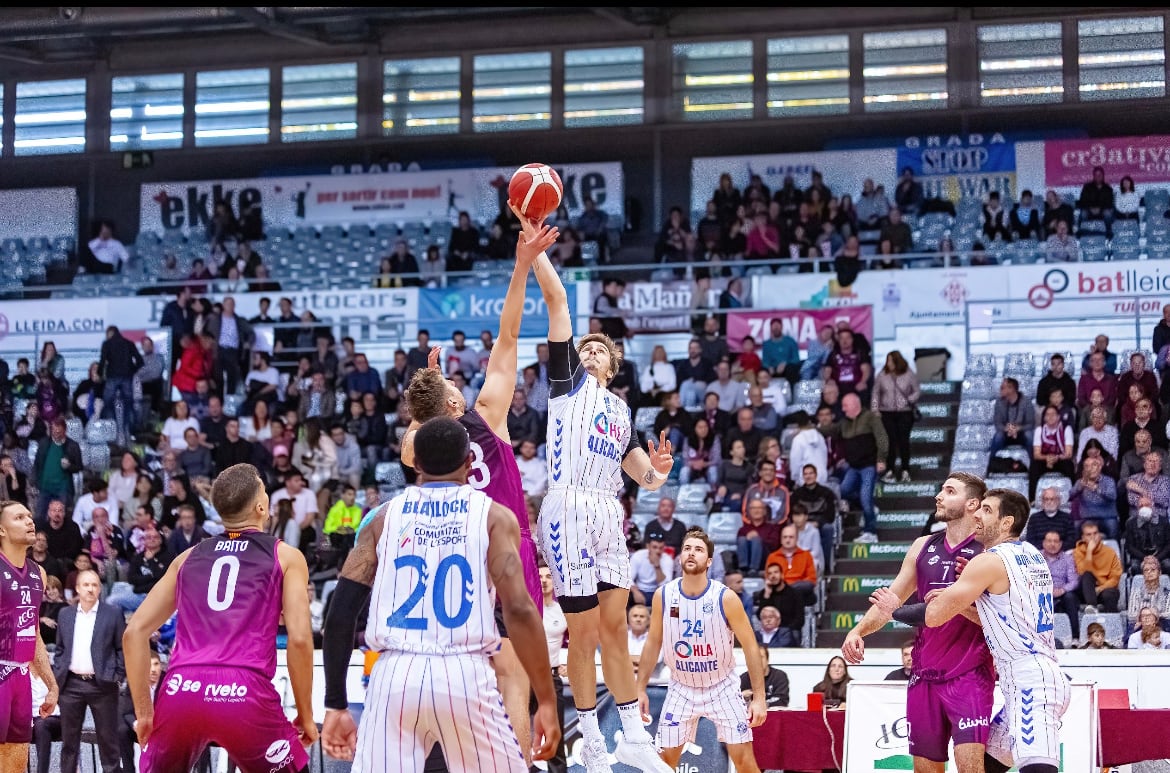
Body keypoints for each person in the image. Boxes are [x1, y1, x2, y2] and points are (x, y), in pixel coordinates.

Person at [396, 220, 559, 769]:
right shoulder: (488, 415)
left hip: (454, 559)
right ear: (454, 404)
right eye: (452, 387)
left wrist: (426, 399)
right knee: (510, 679)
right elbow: (508, 338)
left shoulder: (421, 443)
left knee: (456, 680)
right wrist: (520, 265)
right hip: (505, 559)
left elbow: (404, 447)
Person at [525, 205, 676, 773]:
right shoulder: (566, 386)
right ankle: (588, 738)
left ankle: (632, 736)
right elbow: (559, 303)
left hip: (609, 512)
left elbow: (644, 477)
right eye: (583, 347)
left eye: (597, 350)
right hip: (567, 506)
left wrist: (659, 468)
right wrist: (536, 250)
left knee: (616, 627)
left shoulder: (619, 409)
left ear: (612, 365)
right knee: (582, 631)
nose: (587, 352)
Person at [318, 417, 559, 770]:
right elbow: (520, 610)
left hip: (394, 675)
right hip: (464, 673)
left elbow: (339, 614)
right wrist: (547, 700)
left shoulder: (380, 519)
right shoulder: (494, 517)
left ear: (415, 464)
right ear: (470, 462)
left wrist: (336, 702)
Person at [121, 463, 316, 772]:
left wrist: (145, 713)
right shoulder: (286, 556)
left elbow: (134, 633)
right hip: (244, 689)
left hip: (182, 688)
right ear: (261, 506)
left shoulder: (187, 557)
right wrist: (305, 714)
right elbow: (302, 639)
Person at [842, 473, 993, 773]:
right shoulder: (923, 546)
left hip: (969, 674)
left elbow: (1000, 620)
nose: (939, 496)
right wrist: (858, 630)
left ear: (971, 503)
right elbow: (892, 599)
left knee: (971, 769)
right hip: (924, 675)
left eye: (949, 491)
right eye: (940, 489)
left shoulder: (987, 550)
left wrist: (958, 605)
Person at [925, 487, 1071, 773]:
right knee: (985, 766)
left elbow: (934, 617)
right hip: (1041, 674)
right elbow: (1002, 617)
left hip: (1030, 682)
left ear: (1007, 522)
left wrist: (903, 607)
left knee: (1038, 769)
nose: (977, 514)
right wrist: (972, 596)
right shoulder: (1032, 553)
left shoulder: (988, 561)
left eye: (987, 510)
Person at [635, 527, 766, 773]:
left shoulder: (725, 598)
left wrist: (759, 698)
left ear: (708, 561)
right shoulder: (664, 595)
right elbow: (653, 643)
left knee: (745, 763)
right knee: (663, 765)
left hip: (722, 687)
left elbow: (750, 646)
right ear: (679, 557)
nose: (691, 553)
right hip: (681, 688)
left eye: (698, 549)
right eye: (687, 548)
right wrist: (640, 688)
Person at [0, 500, 56, 773]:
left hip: (21, 676)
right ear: (1, 529)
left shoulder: (38, 574)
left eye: (30, 516)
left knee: (17, 756)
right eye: (19, 517)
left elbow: (32, 633)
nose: (29, 521)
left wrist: (51, 684)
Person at [53, 568, 125, 773]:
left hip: (102, 685)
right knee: (69, 744)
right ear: (77, 588)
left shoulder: (113, 613)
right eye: (86, 585)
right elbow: (59, 649)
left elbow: (122, 648)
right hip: (71, 685)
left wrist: (117, 675)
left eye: (94, 585)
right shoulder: (65, 614)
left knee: (108, 742)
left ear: (100, 589)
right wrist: (59, 671)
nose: (90, 589)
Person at [819, 392, 887, 543]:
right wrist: (810, 429)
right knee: (842, 491)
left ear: (854, 404)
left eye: (845, 405)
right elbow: (830, 430)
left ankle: (871, 532)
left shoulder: (871, 418)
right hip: (853, 467)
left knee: (864, 496)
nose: (842, 409)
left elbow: (882, 438)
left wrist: (881, 459)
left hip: (869, 466)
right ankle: (868, 507)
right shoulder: (844, 423)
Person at [872, 350, 920, 483]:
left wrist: (908, 400)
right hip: (887, 412)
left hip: (905, 412)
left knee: (904, 441)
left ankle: (905, 470)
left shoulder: (909, 374)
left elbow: (917, 391)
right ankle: (890, 470)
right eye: (887, 360)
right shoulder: (882, 375)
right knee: (890, 442)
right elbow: (876, 393)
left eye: (891, 361)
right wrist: (875, 408)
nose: (889, 363)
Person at [1072, 519, 1122, 613]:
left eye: (1095, 533)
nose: (1093, 537)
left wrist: (1100, 588)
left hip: (1103, 589)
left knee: (1110, 594)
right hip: (1085, 590)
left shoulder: (1110, 552)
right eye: (1089, 535)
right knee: (1087, 574)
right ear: (1083, 538)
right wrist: (1089, 552)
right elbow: (1082, 572)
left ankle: (1112, 624)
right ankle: (1092, 607)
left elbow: (1115, 578)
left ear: (1099, 535)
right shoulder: (1077, 552)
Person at [740, 643, 789, 708]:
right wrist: (743, 697)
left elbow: (782, 699)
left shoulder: (779, 676)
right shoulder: (743, 678)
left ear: (767, 660)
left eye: (761, 657)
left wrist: (763, 705)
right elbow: (734, 703)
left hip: (775, 715)